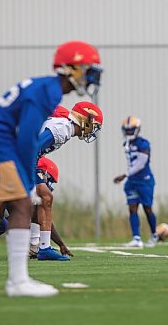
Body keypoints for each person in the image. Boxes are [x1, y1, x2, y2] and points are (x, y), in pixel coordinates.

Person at [0, 40, 102, 297]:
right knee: (21, 203)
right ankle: (18, 280)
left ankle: (17, 277)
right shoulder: (50, 93)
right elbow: (28, 137)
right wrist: (28, 179)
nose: (92, 75)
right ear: (71, 67)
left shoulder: (48, 88)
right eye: (88, 69)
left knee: (11, 206)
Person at [31, 103, 103, 259]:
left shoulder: (65, 127)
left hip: (24, 158)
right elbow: (33, 147)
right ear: (85, 119)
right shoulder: (63, 128)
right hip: (19, 158)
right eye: (94, 125)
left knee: (42, 199)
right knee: (4, 206)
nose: (93, 130)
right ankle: (40, 247)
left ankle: (42, 247)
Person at [113, 116, 158, 248]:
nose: (128, 132)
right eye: (126, 130)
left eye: (130, 130)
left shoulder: (143, 143)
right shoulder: (127, 144)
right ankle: (136, 238)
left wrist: (125, 174)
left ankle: (154, 234)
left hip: (145, 180)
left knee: (147, 208)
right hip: (132, 181)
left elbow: (141, 163)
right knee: (132, 208)